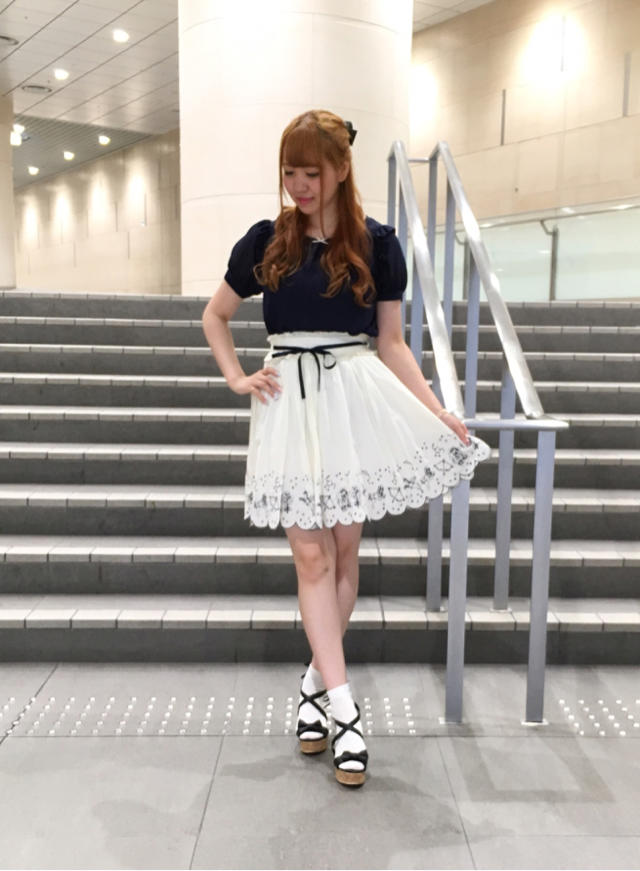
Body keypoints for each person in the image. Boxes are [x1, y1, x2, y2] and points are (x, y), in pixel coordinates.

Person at [201, 109, 490, 789]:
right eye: (290, 171)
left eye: (312, 171)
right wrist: (237, 376)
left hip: (350, 398)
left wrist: (435, 410)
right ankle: (345, 710)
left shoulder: (375, 243)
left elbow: (391, 342)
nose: (299, 184)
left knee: (344, 552)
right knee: (311, 554)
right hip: (287, 403)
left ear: (340, 169)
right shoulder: (266, 241)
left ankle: (313, 683)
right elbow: (216, 315)